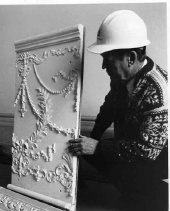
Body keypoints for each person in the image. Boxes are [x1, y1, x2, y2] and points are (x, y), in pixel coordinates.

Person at [68, 10, 168, 211]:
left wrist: (95, 147)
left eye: (108, 59)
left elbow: (145, 152)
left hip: (159, 156)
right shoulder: (121, 78)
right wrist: (89, 143)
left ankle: (151, 196)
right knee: (91, 147)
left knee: (148, 192)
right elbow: (108, 110)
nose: (104, 66)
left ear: (131, 57)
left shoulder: (158, 91)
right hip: (132, 146)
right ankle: (134, 191)